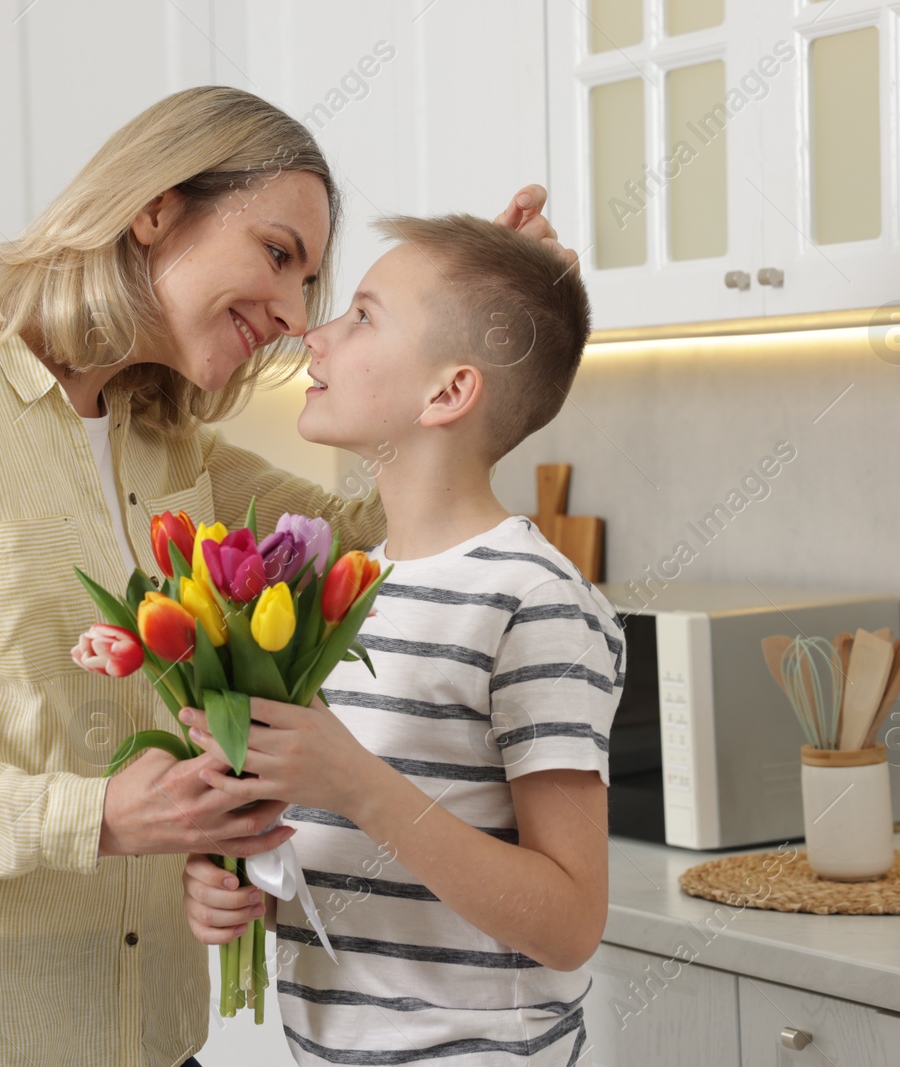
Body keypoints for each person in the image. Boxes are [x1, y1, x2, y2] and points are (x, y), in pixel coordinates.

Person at [0, 83, 575, 1067]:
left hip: (133, 1026)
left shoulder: (165, 440)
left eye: (313, 285)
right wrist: (97, 815)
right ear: (155, 209)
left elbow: (379, 530)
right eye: (278, 254)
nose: (288, 314)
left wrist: (469, 326)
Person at [180, 213, 621, 1066]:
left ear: (448, 393)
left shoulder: (534, 601)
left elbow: (569, 924)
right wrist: (246, 888)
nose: (314, 332)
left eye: (363, 317)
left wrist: (356, 783)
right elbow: (374, 866)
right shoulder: (346, 589)